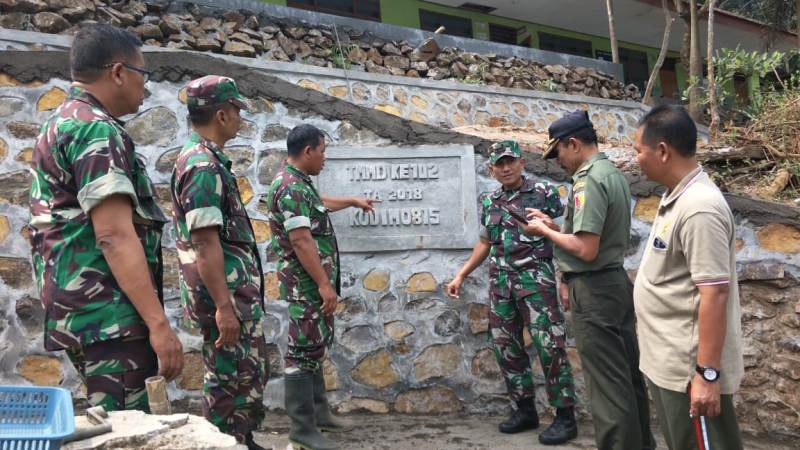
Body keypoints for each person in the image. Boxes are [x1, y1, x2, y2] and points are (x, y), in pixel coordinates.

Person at [28, 24, 183, 412]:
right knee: (128, 426)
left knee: (110, 418)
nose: (144, 88)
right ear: (117, 72)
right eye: (141, 75)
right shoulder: (95, 129)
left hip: (85, 312)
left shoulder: (61, 121)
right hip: (109, 313)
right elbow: (113, 234)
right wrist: (158, 324)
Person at [520, 110, 655, 450]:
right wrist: (554, 225)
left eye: (559, 152)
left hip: (595, 290)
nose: (559, 161)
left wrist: (543, 233)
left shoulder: (588, 180)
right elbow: (593, 234)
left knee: (607, 387)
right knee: (625, 377)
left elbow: (585, 248)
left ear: (574, 144)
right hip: (611, 283)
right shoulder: (611, 173)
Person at [446, 141, 578, 445]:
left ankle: (565, 416)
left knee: (550, 346)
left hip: (536, 282)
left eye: (510, 161)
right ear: (491, 169)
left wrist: (552, 230)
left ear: (521, 163)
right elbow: (485, 241)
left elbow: (568, 231)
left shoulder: (545, 193)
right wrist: (461, 274)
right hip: (501, 283)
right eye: (499, 164)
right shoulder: (491, 201)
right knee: (505, 346)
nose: (505, 168)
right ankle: (524, 409)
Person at [633, 105, 744, 449]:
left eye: (638, 150)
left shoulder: (700, 208)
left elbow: (714, 294)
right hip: (670, 362)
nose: (635, 159)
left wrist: (706, 376)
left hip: (688, 371)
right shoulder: (677, 196)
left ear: (662, 151)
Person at [264, 124, 377, 450]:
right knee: (301, 354)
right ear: (308, 151)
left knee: (313, 349)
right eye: (323, 150)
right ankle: (302, 431)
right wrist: (324, 284)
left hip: (309, 286)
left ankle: (319, 415)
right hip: (307, 287)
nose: (325, 157)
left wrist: (353, 201)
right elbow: (301, 240)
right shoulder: (290, 187)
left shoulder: (298, 184)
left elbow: (317, 202)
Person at [170, 75, 268, 450]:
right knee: (227, 380)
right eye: (238, 111)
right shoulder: (202, 167)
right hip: (223, 301)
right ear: (223, 115)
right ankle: (224, 443)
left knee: (247, 375)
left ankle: (242, 439)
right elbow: (205, 243)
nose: (241, 119)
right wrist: (225, 308)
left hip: (233, 298)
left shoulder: (208, 160)